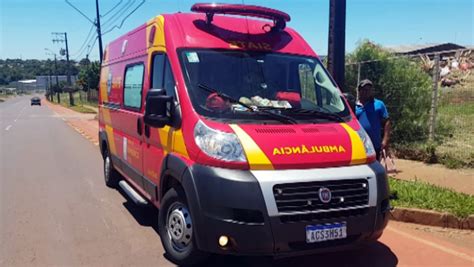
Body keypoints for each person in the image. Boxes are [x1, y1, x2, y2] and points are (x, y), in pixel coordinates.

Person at [355, 79, 391, 161]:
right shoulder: (354, 106)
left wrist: (385, 140)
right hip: (358, 145)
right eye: (364, 90)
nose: (367, 92)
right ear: (359, 91)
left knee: (375, 169)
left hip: (374, 145)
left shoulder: (379, 104)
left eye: (369, 90)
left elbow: (387, 122)